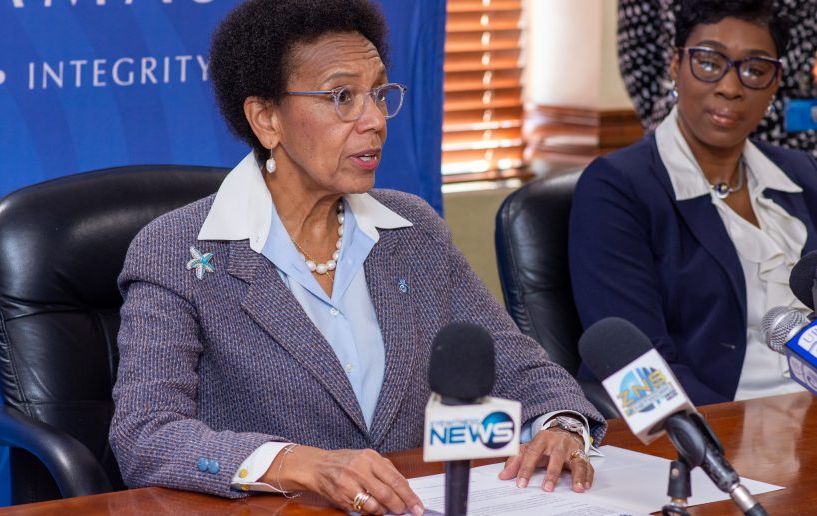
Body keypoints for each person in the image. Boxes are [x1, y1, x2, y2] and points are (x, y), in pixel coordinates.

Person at [109, 0, 606, 514]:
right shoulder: (177, 252)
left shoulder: (413, 231)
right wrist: (297, 463)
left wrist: (561, 427)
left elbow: (519, 367)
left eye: (379, 93)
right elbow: (146, 434)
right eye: (342, 97)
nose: (374, 120)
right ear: (266, 119)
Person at [571, 0, 817, 407]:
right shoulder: (617, 188)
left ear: (775, 82)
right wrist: (713, 435)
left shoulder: (802, 174)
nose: (730, 87)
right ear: (675, 65)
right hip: (713, 424)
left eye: (755, 70)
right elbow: (636, 366)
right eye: (708, 63)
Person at [617, 0, 817, 158]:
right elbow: (637, 57)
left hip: (793, 133)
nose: (729, 89)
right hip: (682, 137)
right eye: (708, 63)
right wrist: (681, 99)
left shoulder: (802, 169)